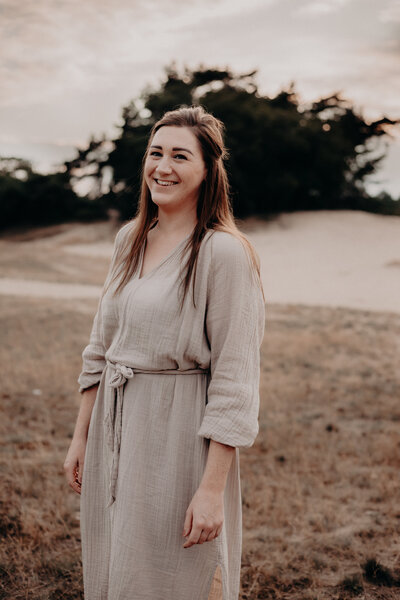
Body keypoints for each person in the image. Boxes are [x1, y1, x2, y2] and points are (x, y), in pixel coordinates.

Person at [63, 105, 266, 600]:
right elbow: (100, 346)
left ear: (207, 171)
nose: (163, 167)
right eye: (155, 153)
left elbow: (235, 380)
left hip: (178, 434)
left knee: (175, 574)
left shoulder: (224, 252)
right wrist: (81, 437)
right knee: (118, 564)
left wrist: (212, 489)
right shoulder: (129, 239)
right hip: (115, 426)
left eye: (180, 156)